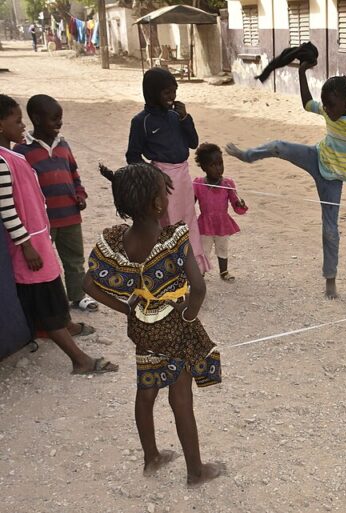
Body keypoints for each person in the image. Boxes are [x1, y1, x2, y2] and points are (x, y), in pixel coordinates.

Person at [84, 163, 224, 487]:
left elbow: (88, 284)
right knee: (180, 397)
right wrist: (188, 317)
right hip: (174, 329)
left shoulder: (117, 240)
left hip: (143, 327)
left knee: (146, 390)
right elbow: (198, 288)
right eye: (165, 192)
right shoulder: (172, 239)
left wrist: (126, 309)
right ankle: (196, 471)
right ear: (158, 203)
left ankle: (152, 457)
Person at [226, 61, 346, 299]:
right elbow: (307, 103)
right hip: (317, 157)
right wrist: (302, 72)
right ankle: (248, 156)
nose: (327, 109)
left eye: (331, 105)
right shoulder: (327, 110)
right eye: (325, 104)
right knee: (278, 146)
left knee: (330, 230)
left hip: (333, 180)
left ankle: (330, 280)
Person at [0, 94, 116, 374]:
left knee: (51, 285)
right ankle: (79, 359)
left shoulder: (13, 156)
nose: (23, 126)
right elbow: (7, 210)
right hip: (27, 243)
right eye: (17, 121)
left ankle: (65, 325)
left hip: (38, 235)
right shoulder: (2, 162)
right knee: (44, 297)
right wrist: (26, 244)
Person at [14, 94, 99, 312]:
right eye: (54, 118)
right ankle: (53, 300)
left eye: (60, 118)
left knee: (74, 259)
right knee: (45, 260)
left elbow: (74, 174)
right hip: (43, 221)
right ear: (37, 119)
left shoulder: (63, 144)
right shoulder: (22, 150)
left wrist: (80, 195)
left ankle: (78, 296)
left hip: (70, 215)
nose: (59, 123)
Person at [126, 68, 210, 274]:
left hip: (183, 175)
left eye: (174, 91)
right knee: (168, 224)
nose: (172, 96)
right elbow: (132, 156)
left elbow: (193, 143)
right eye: (166, 92)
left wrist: (185, 118)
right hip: (161, 179)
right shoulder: (141, 121)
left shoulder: (176, 116)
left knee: (188, 220)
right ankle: (171, 271)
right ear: (152, 93)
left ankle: (195, 267)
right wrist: (155, 174)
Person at [192, 143, 248, 282]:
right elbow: (190, 203)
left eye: (220, 163)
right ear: (204, 167)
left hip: (222, 223)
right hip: (205, 224)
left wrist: (240, 204)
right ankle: (200, 273)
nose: (218, 168)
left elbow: (235, 203)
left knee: (222, 248)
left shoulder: (228, 184)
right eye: (213, 165)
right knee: (204, 250)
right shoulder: (198, 184)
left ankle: (224, 272)